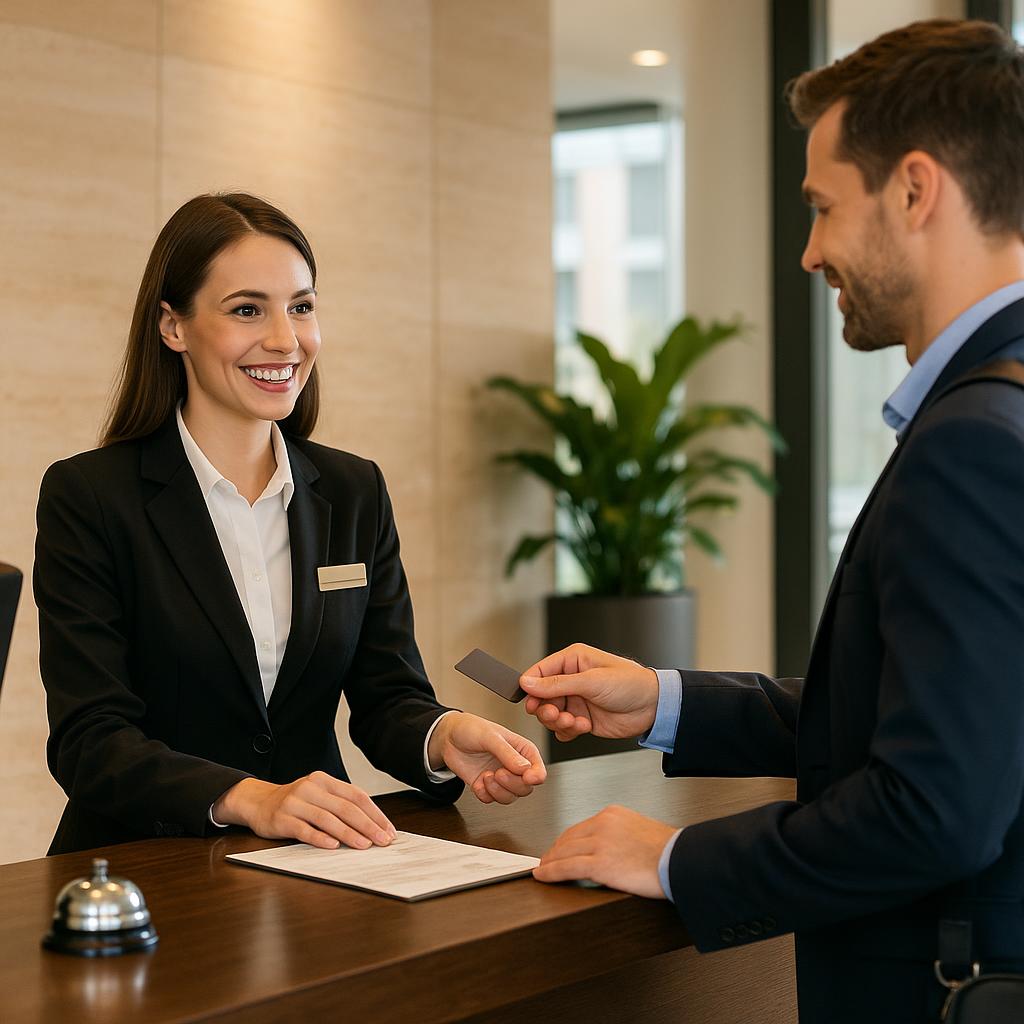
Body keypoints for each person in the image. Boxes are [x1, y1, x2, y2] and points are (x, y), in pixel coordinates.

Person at [519, 19, 1024, 1024]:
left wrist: (670, 855)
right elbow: (937, 710)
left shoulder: (970, 442)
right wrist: (661, 700)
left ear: (916, 190)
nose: (808, 252)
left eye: (822, 208)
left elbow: (933, 810)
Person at [35, 192, 545, 856]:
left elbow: (388, 693)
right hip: (146, 869)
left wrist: (444, 737)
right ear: (173, 327)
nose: (285, 339)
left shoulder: (353, 490)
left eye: (301, 307)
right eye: (247, 309)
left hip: (317, 869)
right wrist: (255, 798)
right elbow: (91, 741)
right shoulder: (91, 496)